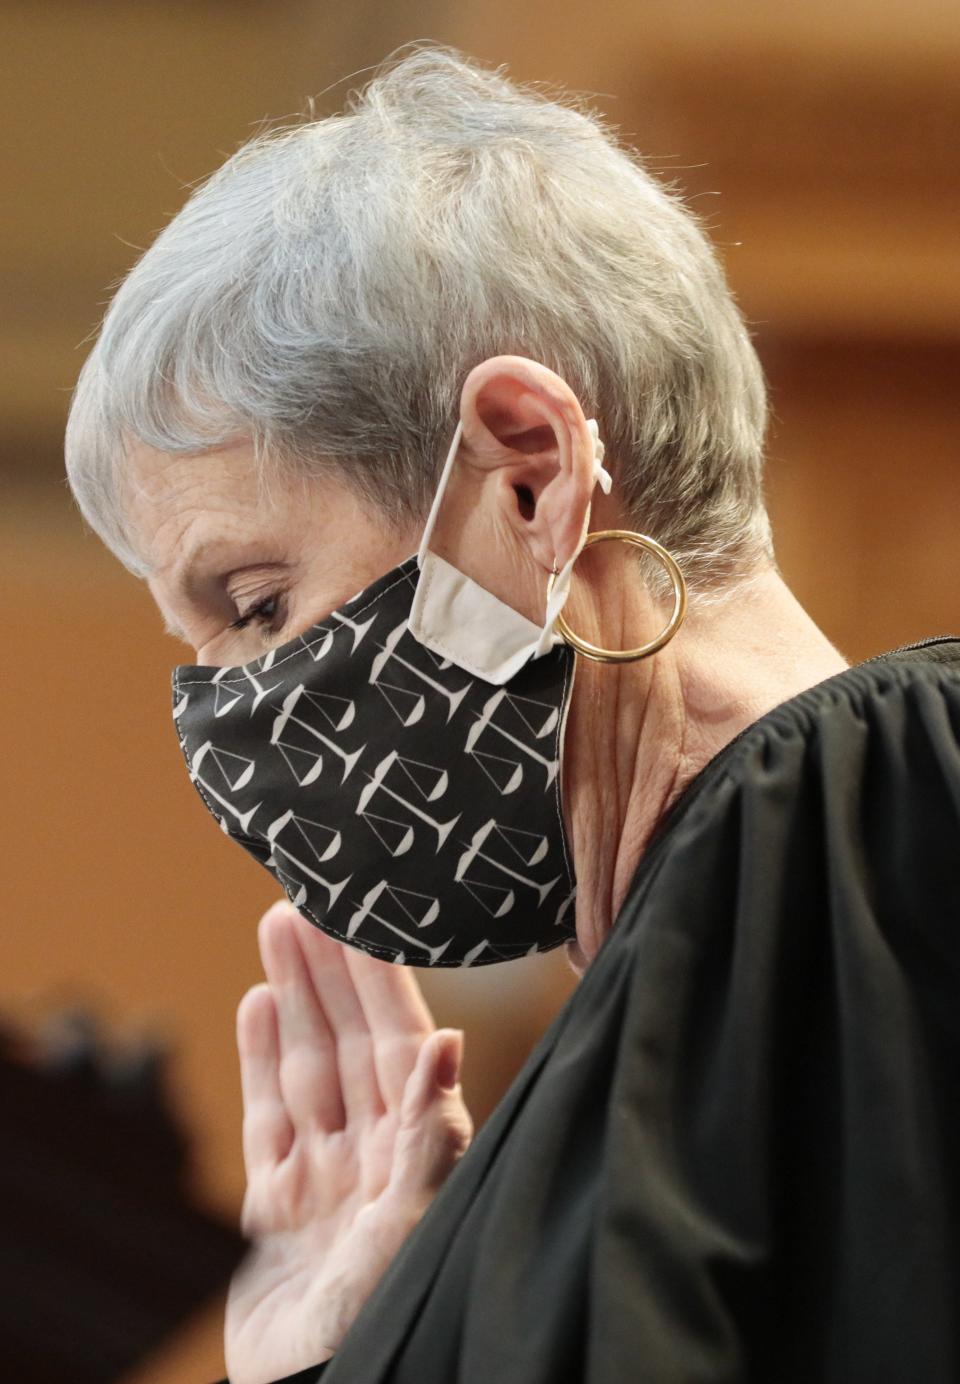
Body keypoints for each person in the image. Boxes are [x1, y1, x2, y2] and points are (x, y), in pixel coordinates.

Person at [64, 46, 960, 1384]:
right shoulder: (664, 977)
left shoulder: (862, 803)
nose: (227, 729)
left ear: (530, 474)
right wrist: (356, 1341)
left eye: (254, 607)